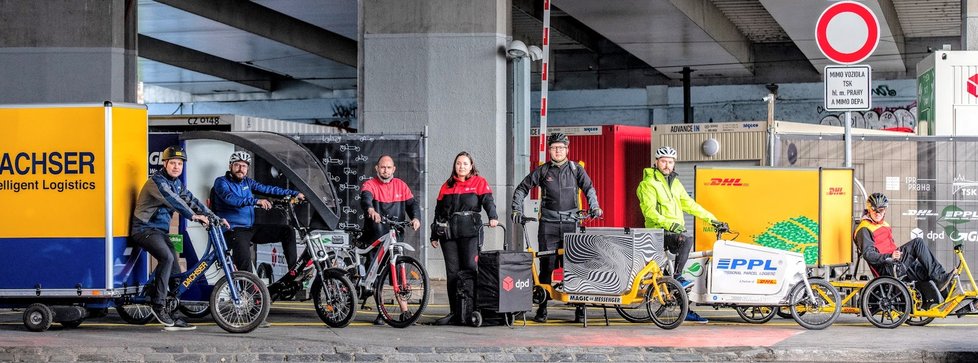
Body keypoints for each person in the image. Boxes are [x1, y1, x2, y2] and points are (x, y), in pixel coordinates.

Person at [130, 146, 228, 331]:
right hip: (144, 229)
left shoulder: (176, 183)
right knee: (166, 258)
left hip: (160, 231)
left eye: (180, 164)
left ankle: (174, 314)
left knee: (175, 273)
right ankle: (158, 305)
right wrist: (194, 216)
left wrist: (214, 218)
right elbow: (174, 201)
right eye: (173, 163)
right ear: (165, 163)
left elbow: (191, 200)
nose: (176, 167)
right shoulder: (157, 182)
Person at [511, 132, 602, 323]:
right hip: (548, 226)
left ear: (567, 150)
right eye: (554, 147)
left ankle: (580, 309)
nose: (557, 151)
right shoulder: (543, 171)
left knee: (575, 267)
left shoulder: (576, 169)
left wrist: (594, 206)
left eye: (561, 147)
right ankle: (542, 309)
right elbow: (521, 188)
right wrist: (516, 209)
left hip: (571, 225)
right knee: (546, 267)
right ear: (550, 150)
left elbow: (589, 189)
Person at [636, 146, 723, 323]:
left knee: (680, 273)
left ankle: (685, 310)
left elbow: (690, 205)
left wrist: (714, 220)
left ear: (674, 163)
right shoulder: (648, 184)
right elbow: (649, 212)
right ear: (656, 162)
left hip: (674, 231)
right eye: (663, 161)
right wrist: (670, 224)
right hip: (658, 233)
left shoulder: (675, 183)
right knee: (686, 241)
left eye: (670, 161)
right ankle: (677, 277)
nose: (667, 165)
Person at [430, 151, 498, 325]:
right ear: (455, 165)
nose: (461, 166)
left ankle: (473, 309)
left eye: (465, 164)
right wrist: (434, 235)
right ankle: (455, 312)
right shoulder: (447, 185)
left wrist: (493, 216)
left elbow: (488, 201)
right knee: (452, 273)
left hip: (470, 233)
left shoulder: (479, 182)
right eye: (458, 163)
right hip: (448, 234)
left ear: (471, 166)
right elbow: (439, 212)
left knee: (469, 268)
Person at [210, 151, 305, 274]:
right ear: (230, 166)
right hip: (232, 230)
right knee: (245, 262)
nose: (240, 169)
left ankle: (293, 272)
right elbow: (231, 199)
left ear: (247, 169)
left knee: (288, 231)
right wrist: (256, 201)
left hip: (250, 228)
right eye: (237, 165)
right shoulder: (221, 182)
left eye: (244, 166)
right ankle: (248, 290)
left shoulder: (247, 182)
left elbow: (268, 189)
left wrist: (294, 193)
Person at [360, 155, 422, 325]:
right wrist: (371, 209)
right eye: (382, 167)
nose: (385, 170)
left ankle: (405, 312)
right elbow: (365, 198)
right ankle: (382, 312)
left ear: (394, 169)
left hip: (396, 235)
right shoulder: (370, 184)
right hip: (376, 236)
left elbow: (412, 205)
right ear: (377, 168)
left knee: (400, 273)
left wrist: (416, 218)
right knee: (378, 275)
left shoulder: (401, 185)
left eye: (388, 167)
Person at [855, 193, 952, 294]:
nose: (877, 213)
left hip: (897, 262)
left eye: (881, 210)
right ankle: (941, 277)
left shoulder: (884, 224)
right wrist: (890, 256)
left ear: (885, 210)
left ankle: (945, 296)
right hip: (887, 267)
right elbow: (868, 254)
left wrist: (895, 255)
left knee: (925, 271)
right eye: (874, 209)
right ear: (868, 209)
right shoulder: (864, 229)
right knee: (917, 243)